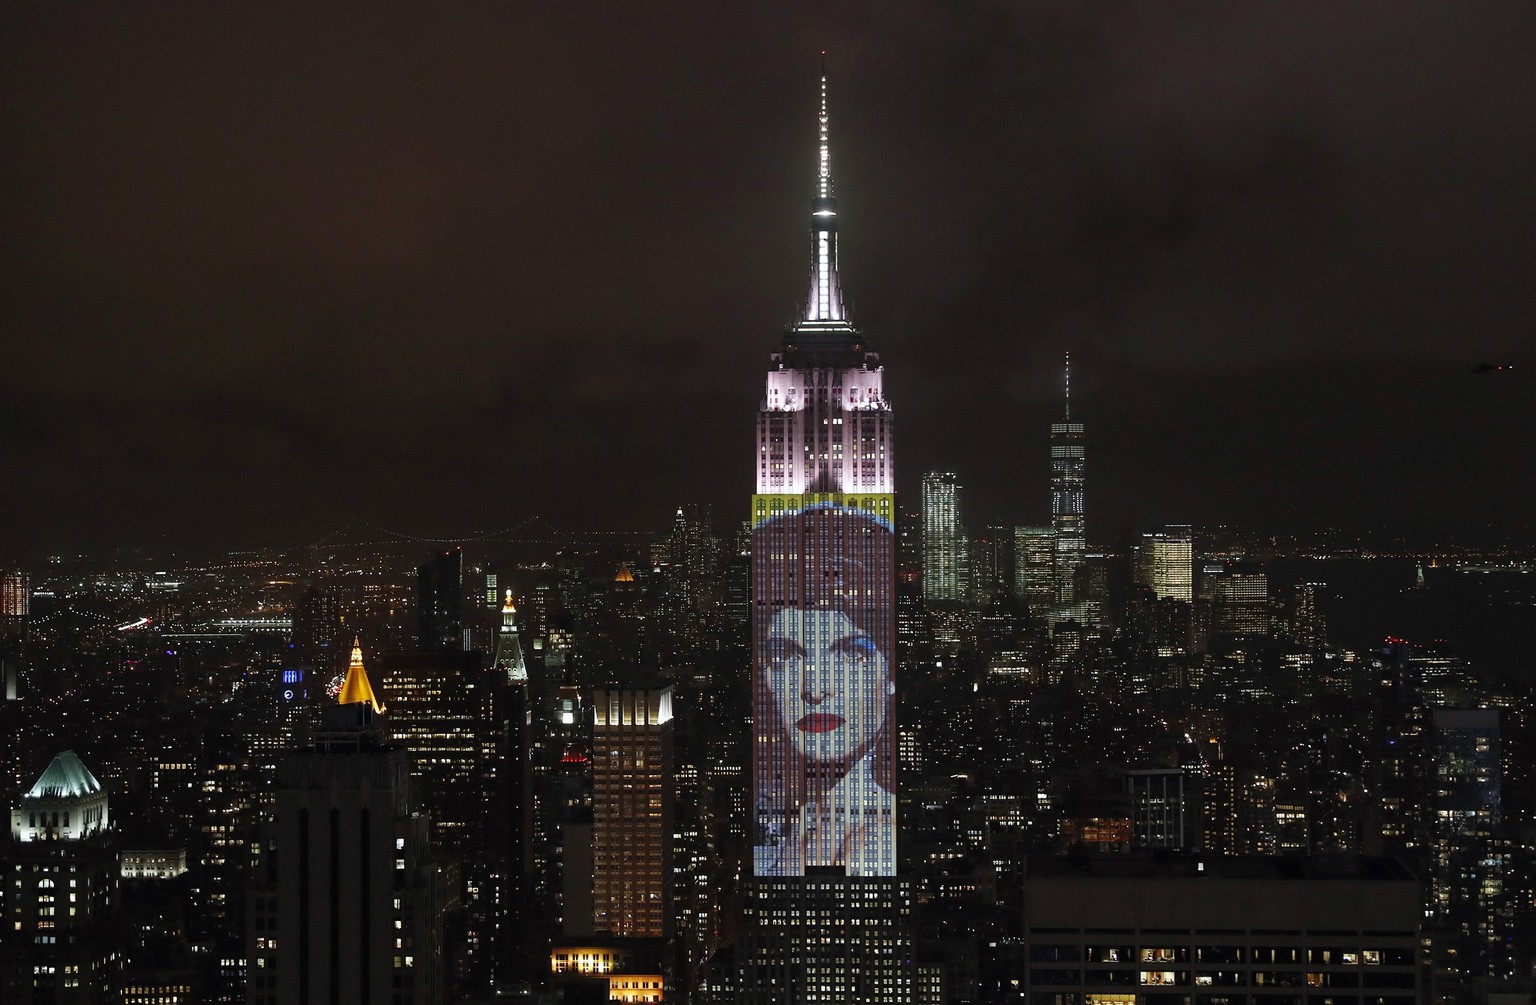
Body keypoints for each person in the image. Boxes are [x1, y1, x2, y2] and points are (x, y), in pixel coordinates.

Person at [751, 503, 896, 877]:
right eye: (784, 656)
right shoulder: (783, 821)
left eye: (852, 654)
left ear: (890, 674)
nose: (814, 690)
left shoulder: (874, 844)